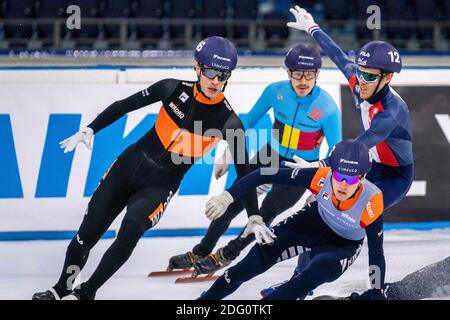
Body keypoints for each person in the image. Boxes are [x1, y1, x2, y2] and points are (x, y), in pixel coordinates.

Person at [32, 36, 260, 300]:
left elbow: (246, 172)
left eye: (222, 76)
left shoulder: (230, 122)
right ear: (197, 68)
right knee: (85, 236)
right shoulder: (171, 89)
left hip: (161, 184)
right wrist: (90, 129)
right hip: (128, 167)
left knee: (132, 228)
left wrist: (253, 215)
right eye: (210, 72)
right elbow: (122, 106)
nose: (215, 82)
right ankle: (62, 288)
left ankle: (87, 292)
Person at [167, 44, 342, 276]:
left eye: (309, 74)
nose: (303, 80)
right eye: (297, 73)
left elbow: (337, 154)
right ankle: (202, 250)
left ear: (317, 74)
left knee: (265, 214)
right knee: (230, 203)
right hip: (269, 156)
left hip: (301, 169)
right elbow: (248, 121)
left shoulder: (328, 108)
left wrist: (318, 176)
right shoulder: (274, 92)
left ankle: (227, 255)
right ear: (288, 72)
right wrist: (229, 153)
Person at [284, 6, 415, 297]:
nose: (362, 81)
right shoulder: (360, 81)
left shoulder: (391, 113)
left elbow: (357, 148)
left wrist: (318, 163)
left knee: (352, 219)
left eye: (370, 77)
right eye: (361, 73)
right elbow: (338, 55)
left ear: (387, 79)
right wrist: (312, 28)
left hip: (393, 177)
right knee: (316, 205)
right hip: (373, 165)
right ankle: (298, 280)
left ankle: (375, 289)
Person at [199, 139, 387, 300]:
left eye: (351, 179)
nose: (343, 185)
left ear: (362, 179)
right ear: (331, 170)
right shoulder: (319, 177)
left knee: (315, 274)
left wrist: (377, 290)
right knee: (251, 263)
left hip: (343, 245)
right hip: (312, 222)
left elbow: (376, 253)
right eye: (338, 175)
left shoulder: (372, 202)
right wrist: (228, 196)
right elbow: (262, 174)